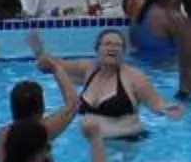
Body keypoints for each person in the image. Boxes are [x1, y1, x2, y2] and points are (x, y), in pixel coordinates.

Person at [32, 28, 179, 140]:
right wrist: (38, 51)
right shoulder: (89, 69)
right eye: (107, 44)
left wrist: (170, 109)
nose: (112, 48)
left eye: (118, 45)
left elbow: (157, 104)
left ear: (124, 52)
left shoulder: (134, 77)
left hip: (126, 148)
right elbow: (57, 65)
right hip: (93, 147)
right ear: (97, 49)